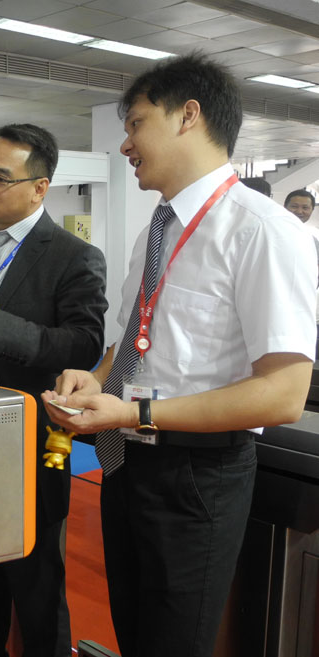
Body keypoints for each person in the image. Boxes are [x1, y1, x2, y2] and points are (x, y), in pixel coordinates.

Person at [42, 54, 317, 657]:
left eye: (136, 124)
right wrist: (96, 380)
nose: (124, 144)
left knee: (174, 643)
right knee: (134, 633)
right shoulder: (156, 230)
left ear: (188, 115)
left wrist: (134, 413)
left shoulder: (262, 231)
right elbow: (133, 338)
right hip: (126, 461)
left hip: (197, 475)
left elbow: (283, 394)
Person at [0, 123, 108, 657]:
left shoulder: (72, 256)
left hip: (34, 444)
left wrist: (1, 331)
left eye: (1, 178)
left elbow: (84, 344)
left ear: (39, 188)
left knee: (36, 589)